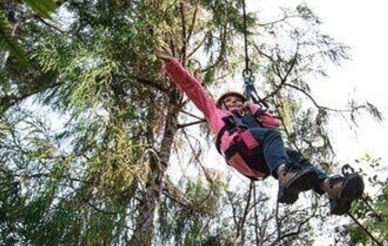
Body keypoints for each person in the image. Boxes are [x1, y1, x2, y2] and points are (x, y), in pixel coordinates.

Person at [155, 50, 363, 214]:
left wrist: (255, 110)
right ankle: (284, 175)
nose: (234, 103)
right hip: (238, 148)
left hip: (259, 159)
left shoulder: (251, 115)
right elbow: (193, 89)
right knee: (273, 139)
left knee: (297, 159)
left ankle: (331, 187)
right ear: (222, 105)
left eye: (238, 101)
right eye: (229, 101)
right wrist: (172, 64)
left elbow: (273, 124)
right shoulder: (215, 113)